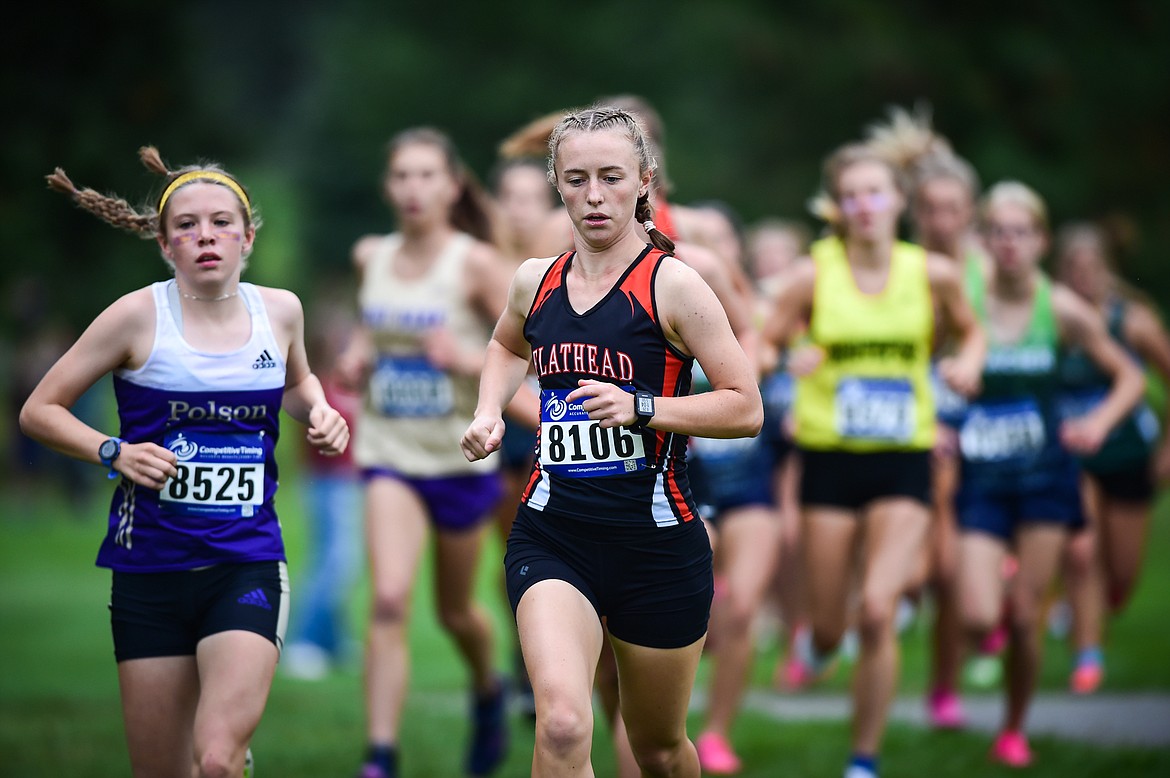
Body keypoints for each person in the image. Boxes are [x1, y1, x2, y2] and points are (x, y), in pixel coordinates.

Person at [21, 147, 350, 778]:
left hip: (245, 561)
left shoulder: (279, 312)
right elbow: (40, 410)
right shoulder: (135, 318)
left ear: (247, 236)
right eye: (187, 226)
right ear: (166, 246)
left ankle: (228, 757)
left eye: (222, 222)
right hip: (148, 569)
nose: (206, 236)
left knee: (218, 759)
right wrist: (112, 450)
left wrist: (321, 410)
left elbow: (295, 385)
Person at [461, 105, 762, 778]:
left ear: (643, 181)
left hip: (655, 544)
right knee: (563, 725)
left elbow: (746, 407)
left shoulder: (675, 284)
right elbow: (506, 345)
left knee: (657, 748)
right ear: (556, 186)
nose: (593, 196)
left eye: (610, 177)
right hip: (553, 533)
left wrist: (643, 407)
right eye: (575, 180)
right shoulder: (534, 279)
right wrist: (488, 410)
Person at [762, 140, 986, 778]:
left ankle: (863, 760)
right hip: (829, 462)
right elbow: (765, 339)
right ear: (837, 205)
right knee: (832, 628)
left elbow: (971, 330)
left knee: (880, 608)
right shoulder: (813, 273)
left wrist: (967, 362)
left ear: (899, 201)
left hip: (904, 457)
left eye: (876, 192)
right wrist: (782, 358)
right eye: (852, 194)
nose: (864, 206)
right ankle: (819, 641)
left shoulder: (931, 274)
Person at [337, 127, 513, 778]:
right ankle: (380, 755)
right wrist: (358, 356)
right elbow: (370, 323)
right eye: (402, 176)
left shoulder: (474, 264)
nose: (413, 189)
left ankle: (489, 690)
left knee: (458, 612)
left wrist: (463, 357)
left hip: (460, 458)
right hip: (389, 452)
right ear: (388, 187)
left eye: (427, 176)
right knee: (387, 600)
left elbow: (523, 352)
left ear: (453, 185)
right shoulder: (370, 256)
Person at [953, 183, 1145, 767]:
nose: (1009, 244)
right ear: (984, 241)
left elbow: (1129, 378)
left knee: (1026, 617)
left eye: (1021, 232)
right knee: (979, 614)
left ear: (1040, 240)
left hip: (1044, 478)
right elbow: (930, 359)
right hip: (982, 478)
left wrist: (1097, 422)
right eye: (998, 233)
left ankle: (1013, 729)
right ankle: (1001, 590)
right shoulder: (965, 300)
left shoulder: (1060, 307)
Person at [864, 104, 990, 728]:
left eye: (954, 210)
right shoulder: (904, 267)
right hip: (924, 423)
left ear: (972, 212)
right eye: (931, 209)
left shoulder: (992, 270)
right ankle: (914, 592)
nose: (942, 221)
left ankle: (948, 680)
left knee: (968, 596)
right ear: (915, 213)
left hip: (993, 427)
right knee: (935, 570)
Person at [1052, 221, 1170, 693]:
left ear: (1107, 268)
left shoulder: (1133, 321)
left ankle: (1092, 611)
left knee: (1121, 575)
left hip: (1126, 453)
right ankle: (1087, 655)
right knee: (1082, 553)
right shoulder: (1052, 321)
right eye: (1073, 267)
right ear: (1061, 271)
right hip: (1071, 457)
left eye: (1092, 266)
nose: (1083, 275)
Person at [488, 155, 554, 714]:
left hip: (571, 422)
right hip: (507, 431)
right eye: (509, 196)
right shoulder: (487, 266)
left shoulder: (570, 260)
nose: (519, 208)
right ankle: (525, 660)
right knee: (515, 555)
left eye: (531, 196)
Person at [281, 289, 364, 680]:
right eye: (337, 333)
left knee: (337, 560)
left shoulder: (348, 383)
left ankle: (333, 640)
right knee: (336, 563)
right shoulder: (313, 385)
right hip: (327, 484)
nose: (344, 338)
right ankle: (303, 642)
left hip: (350, 483)